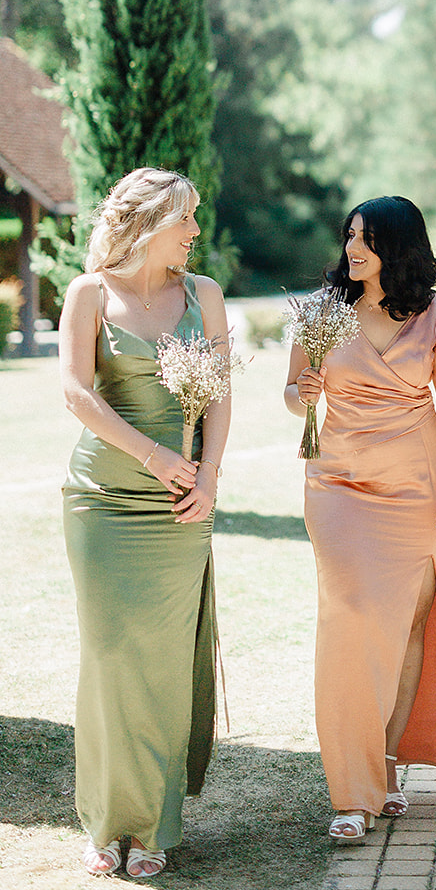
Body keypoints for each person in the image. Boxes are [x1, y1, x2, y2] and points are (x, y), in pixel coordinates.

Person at [285, 196, 436, 843]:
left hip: (416, 486)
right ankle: (349, 789)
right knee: (349, 616)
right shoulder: (322, 311)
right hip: (336, 483)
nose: (353, 248)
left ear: (400, 246)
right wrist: (300, 393)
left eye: (367, 238)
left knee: (408, 623)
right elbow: (291, 392)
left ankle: (386, 764)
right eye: (350, 236)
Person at [60, 168, 230, 880]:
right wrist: (154, 452)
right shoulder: (89, 293)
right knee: (108, 656)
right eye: (186, 220)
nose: (195, 233)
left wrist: (209, 477)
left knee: (160, 666)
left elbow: (219, 396)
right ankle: (107, 824)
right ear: (150, 222)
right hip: (103, 499)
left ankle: (154, 827)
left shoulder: (206, 295)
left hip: (179, 507)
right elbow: (74, 391)